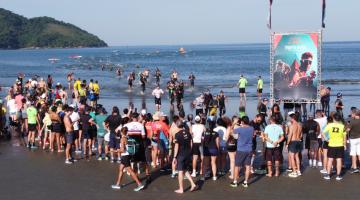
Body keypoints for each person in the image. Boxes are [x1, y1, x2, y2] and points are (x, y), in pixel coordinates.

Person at [111, 127, 145, 192]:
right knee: (121, 169)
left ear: (121, 132)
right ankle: (117, 184)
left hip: (125, 156)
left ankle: (139, 184)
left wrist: (115, 151)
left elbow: (122, 150)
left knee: (130, 171)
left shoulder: (122, 139)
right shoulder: (127, 137)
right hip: (127, 155)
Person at [173, 119, 197, 194]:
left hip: (181, 155)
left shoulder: (177, 134)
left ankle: (181, 189)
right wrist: (190, 151)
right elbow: (191, 142)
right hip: (188, 153)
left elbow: (176, 147)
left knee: (180, 171)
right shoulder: (188, 132)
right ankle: (193, 184)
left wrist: (174, 157)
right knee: (185, 170)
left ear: (177, 125)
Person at [230, 116, 254, 188]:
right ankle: (246, 182)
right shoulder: (251, 128)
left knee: (237, 166)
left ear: (242, 122)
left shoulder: (240, 129)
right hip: (249, 149)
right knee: (247, 166)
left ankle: (235, 182)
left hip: (241, 150)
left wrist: (234, 123)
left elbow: (231, 131)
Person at [322, 113, 346, 180]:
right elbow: (344, 136)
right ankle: (338, 175)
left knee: (330, 160)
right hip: (340, 145)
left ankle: (328, 175)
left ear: (334, 118)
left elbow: (323, 132)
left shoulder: (330, 125)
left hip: (331, 145)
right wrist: (345, 145)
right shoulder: (342, 126)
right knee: (339, 160)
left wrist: (326, 139)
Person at [287, 112, 303, 178]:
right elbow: (301, 135)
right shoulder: (300, 125)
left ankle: (294, 172)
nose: (290, 119)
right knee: (297, 156)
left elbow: (290, 135)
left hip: (293, 142)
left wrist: (287, 143)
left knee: (292, 157)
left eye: (291, 118)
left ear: (293, 118)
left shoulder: (292, 125)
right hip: (299, 141)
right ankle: (298, 170)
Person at [347, 109, 360, 173]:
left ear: (355, 114)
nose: (351, 114)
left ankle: (355, 168)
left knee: (353, 154)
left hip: (353, 139)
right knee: (359, 153)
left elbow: (348, 130)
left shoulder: (352, 121)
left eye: (352, 113)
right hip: (359, 138)